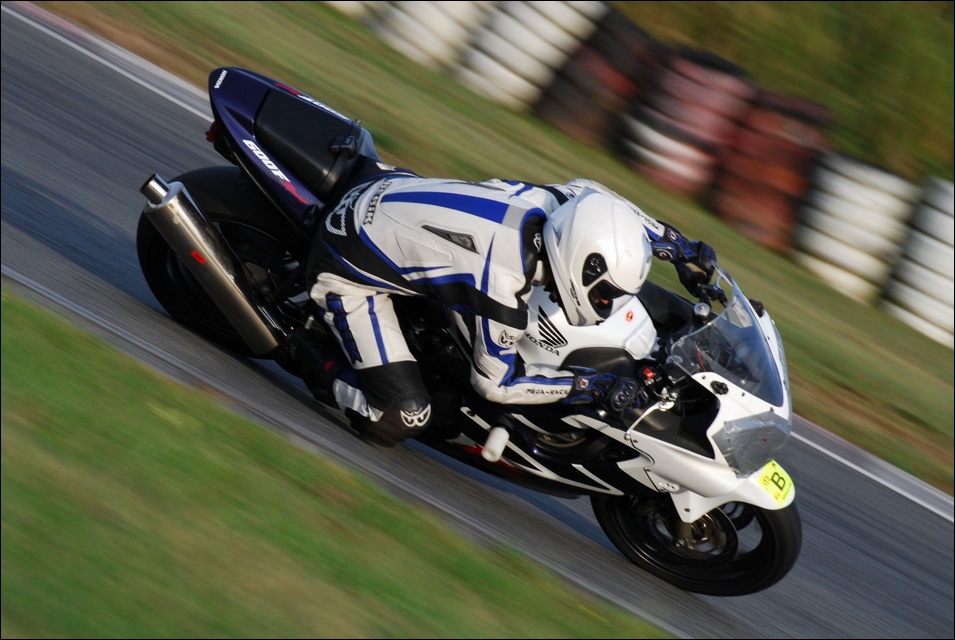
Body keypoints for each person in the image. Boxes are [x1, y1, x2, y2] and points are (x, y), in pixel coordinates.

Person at [287, 159, 717, 447]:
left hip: (388, 184)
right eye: (605, 293)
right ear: (582, 268)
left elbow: (597, 197)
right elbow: (496, 385)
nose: (608, 303)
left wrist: (676, 245)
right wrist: (591, 385)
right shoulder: (504, 285)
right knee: (403, 416)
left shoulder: (554, 205)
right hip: (344, 264)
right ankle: (296, 343)